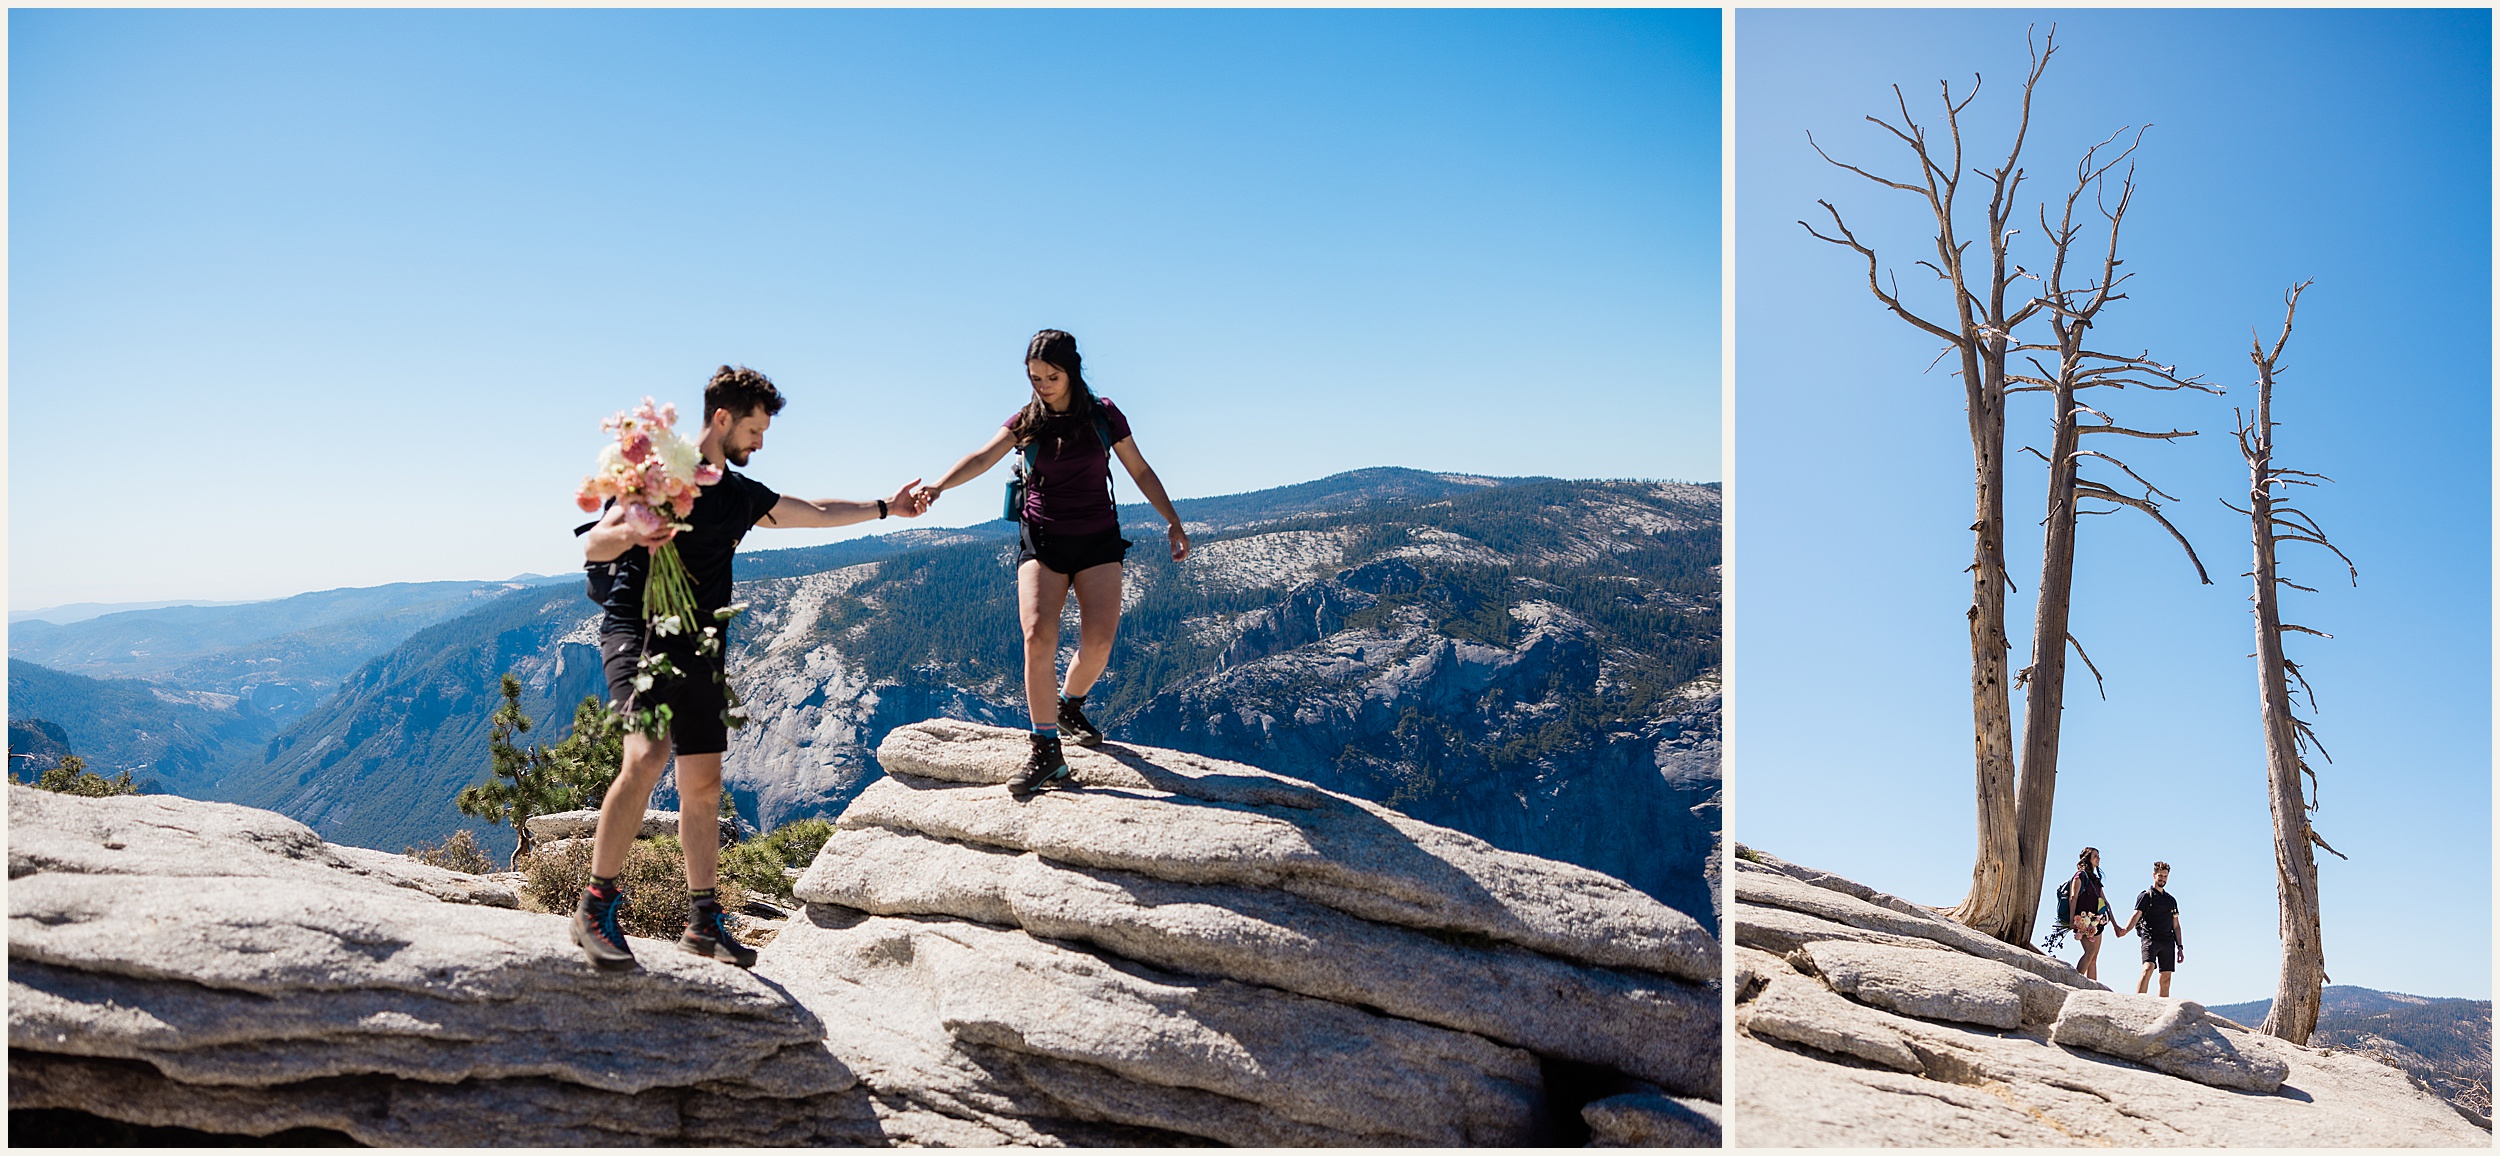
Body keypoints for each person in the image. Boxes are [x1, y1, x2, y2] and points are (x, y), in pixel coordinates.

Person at [571, 365, 927, 972]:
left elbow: (811, 510)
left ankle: (703, 924)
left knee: (703, 785)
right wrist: (637, 524)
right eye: (756, 430)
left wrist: (884, 507)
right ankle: (595, 906)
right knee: (647, 754)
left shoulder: (736, 495)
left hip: (703, 645)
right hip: (640, 632)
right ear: (721, 419)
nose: (760, 443)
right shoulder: (658, 477)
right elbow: (593, 545)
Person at [915, 329, 1190, 797]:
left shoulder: (1104, 415)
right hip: (1042, 539)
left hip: (1098, 540)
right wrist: (939, 486)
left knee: (1099, 643)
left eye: (1051, 377)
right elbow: (983, 456)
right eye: (1034, 377)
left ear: (1072, 372)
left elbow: (1139, 469)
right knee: (1038, 633)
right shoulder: (1027, 420)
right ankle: (1045, 748)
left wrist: (1173, 521)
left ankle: (1070, 704)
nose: (1042, 385)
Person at [2115, 859, 2185, 996]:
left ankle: (2162, 1010)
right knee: (2148, 969)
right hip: (2150, 938)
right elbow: (2136, 915)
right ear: (2154, 875)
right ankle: (2139, 1003)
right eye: (2160, 876)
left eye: (2165, 876)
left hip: (2167, 940)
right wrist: (2125, 930)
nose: (2163, 879)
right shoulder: (2146, 896)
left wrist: (2180, 947)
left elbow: (2176, 925)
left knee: (2166, 979)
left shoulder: (2171, 900)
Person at [2065, 846, 2114, 980]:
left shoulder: (2096, 880)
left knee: (2094, 957)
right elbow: (2073, 897)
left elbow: (2105, 902)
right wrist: (2071, 920)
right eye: (2095, 856)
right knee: (2090, 952)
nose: (2098, 858)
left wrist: (2115, 924)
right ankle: (2075, 982)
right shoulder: (2079, 876)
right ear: (2088, 859)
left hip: (2096, 921)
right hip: (2082, 919)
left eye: (2098, 856)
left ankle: (2093, 989)